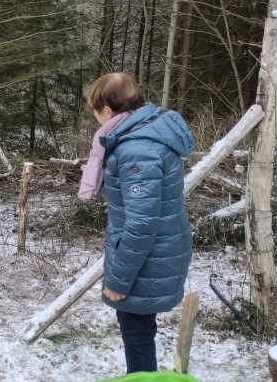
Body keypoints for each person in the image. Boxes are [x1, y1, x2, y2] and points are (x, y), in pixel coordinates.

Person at [78, 72, 194, 374]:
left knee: (136, 333)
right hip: (158, 251)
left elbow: (141, 224)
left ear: (106, 108)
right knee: (140, 330)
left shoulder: (136, 150)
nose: (94, 116)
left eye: (94, 108)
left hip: (148, 258)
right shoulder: (146, 132)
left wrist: (118, 281)